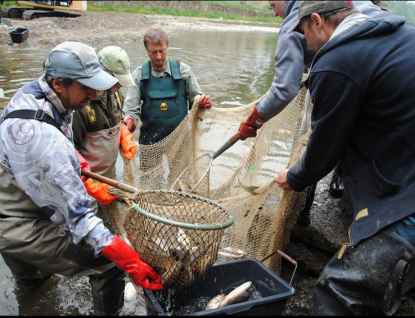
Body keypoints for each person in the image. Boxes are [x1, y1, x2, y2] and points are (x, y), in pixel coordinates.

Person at [0, 41, 163, 316]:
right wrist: (131, 261)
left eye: (96, 85)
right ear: (59, 83)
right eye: (86, 87)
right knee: (109, 266)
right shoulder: (43, 139)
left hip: (15, 200)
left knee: (33, 283)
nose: (95, 93)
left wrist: (76, 159)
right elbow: (81, 223)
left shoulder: (33, 92)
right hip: (18, 222)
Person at [275, 1, 415, 315]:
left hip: (408, 203)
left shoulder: (336, 61)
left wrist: (293, 177)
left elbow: (323, 154)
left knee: (337, 293)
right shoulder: (399, 33)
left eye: (304, 34)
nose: (306, 43)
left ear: (317, 21)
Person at [238, 0, 388, 226]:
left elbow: (284, 89)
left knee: (310, 142)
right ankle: (356, 207)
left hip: (356, 82)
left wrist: (255, 118)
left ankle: (299, 217)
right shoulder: (361, 11)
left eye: (272, 5)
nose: (276, 13)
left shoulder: (298, 24)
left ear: (315, 22)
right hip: (381, 88)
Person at [122, 27, 212, 188]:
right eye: (153, 52)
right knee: (150, 182)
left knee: (180, 181)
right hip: (150, 139)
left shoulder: (184, 71)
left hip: (179, 137)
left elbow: (196, 101)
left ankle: (176, 206)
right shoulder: (139, 75)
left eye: (162, 51)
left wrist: (203, 104)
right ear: (146, 50)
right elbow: (131, 109)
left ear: (167, 48)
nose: (158, 56)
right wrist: (128, 122)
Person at [72, 45, 137, 215]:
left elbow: (119, 116)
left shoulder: (115, 93)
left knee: (110, 221)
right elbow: (69, 154)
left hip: (109, 177)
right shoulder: (81, 104)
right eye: (114, 80)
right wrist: (87, 184)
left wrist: (123, 126)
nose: (118, 86)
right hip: (86, 184)